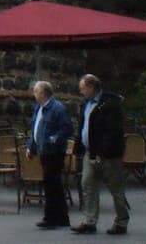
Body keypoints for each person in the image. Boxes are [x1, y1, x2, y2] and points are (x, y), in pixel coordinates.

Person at [72, 74, 131, 235]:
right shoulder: (85, 104)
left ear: (92, 87)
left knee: (115, 188)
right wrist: (79, 147)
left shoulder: (110, 104)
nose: (81, 92)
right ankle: (89, 220)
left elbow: (112, 131)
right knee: (88, 184)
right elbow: (83, 126)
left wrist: (102, 152)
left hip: (108, 154)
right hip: (89, 151)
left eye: (83, 88)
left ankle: (121, 220)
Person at [26, 80, 73, 230]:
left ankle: (51, 217)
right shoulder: (39, 108)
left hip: (54, 151)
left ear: (43, 93)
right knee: (54, 184)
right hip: (44, 151)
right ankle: (62, 217)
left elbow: (67, 129)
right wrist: (31, 147)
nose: (34, 94)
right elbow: (35, 128)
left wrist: (53, 139)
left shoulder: (57, 108)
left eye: (36, 91)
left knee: (51, 183)